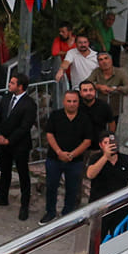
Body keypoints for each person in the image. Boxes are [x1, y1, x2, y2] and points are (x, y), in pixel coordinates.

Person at [41, 88, 92, 223]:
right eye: (69, 101)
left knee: (72, 188)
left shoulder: (84, 118)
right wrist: (59, 152)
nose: (72, 104)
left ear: (78, 102)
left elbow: (87, 140)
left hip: (75, 161)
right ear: (64, 102)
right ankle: (50, 212)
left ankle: (67, 215)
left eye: (75, 101)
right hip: (54, 158)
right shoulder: (56, 115)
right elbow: (49, 134)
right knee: (51, 186)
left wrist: (72, 154)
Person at [0, 71, 37, 220]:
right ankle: (2, 196)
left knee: (23, 174)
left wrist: (10, 140)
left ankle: (24, 205)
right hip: (3, 143)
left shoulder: (29, 104)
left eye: (12, 83)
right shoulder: (6, 98)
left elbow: (25, 127)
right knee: (4, 171)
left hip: (20, 145)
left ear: (20, 86)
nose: (9, 85)